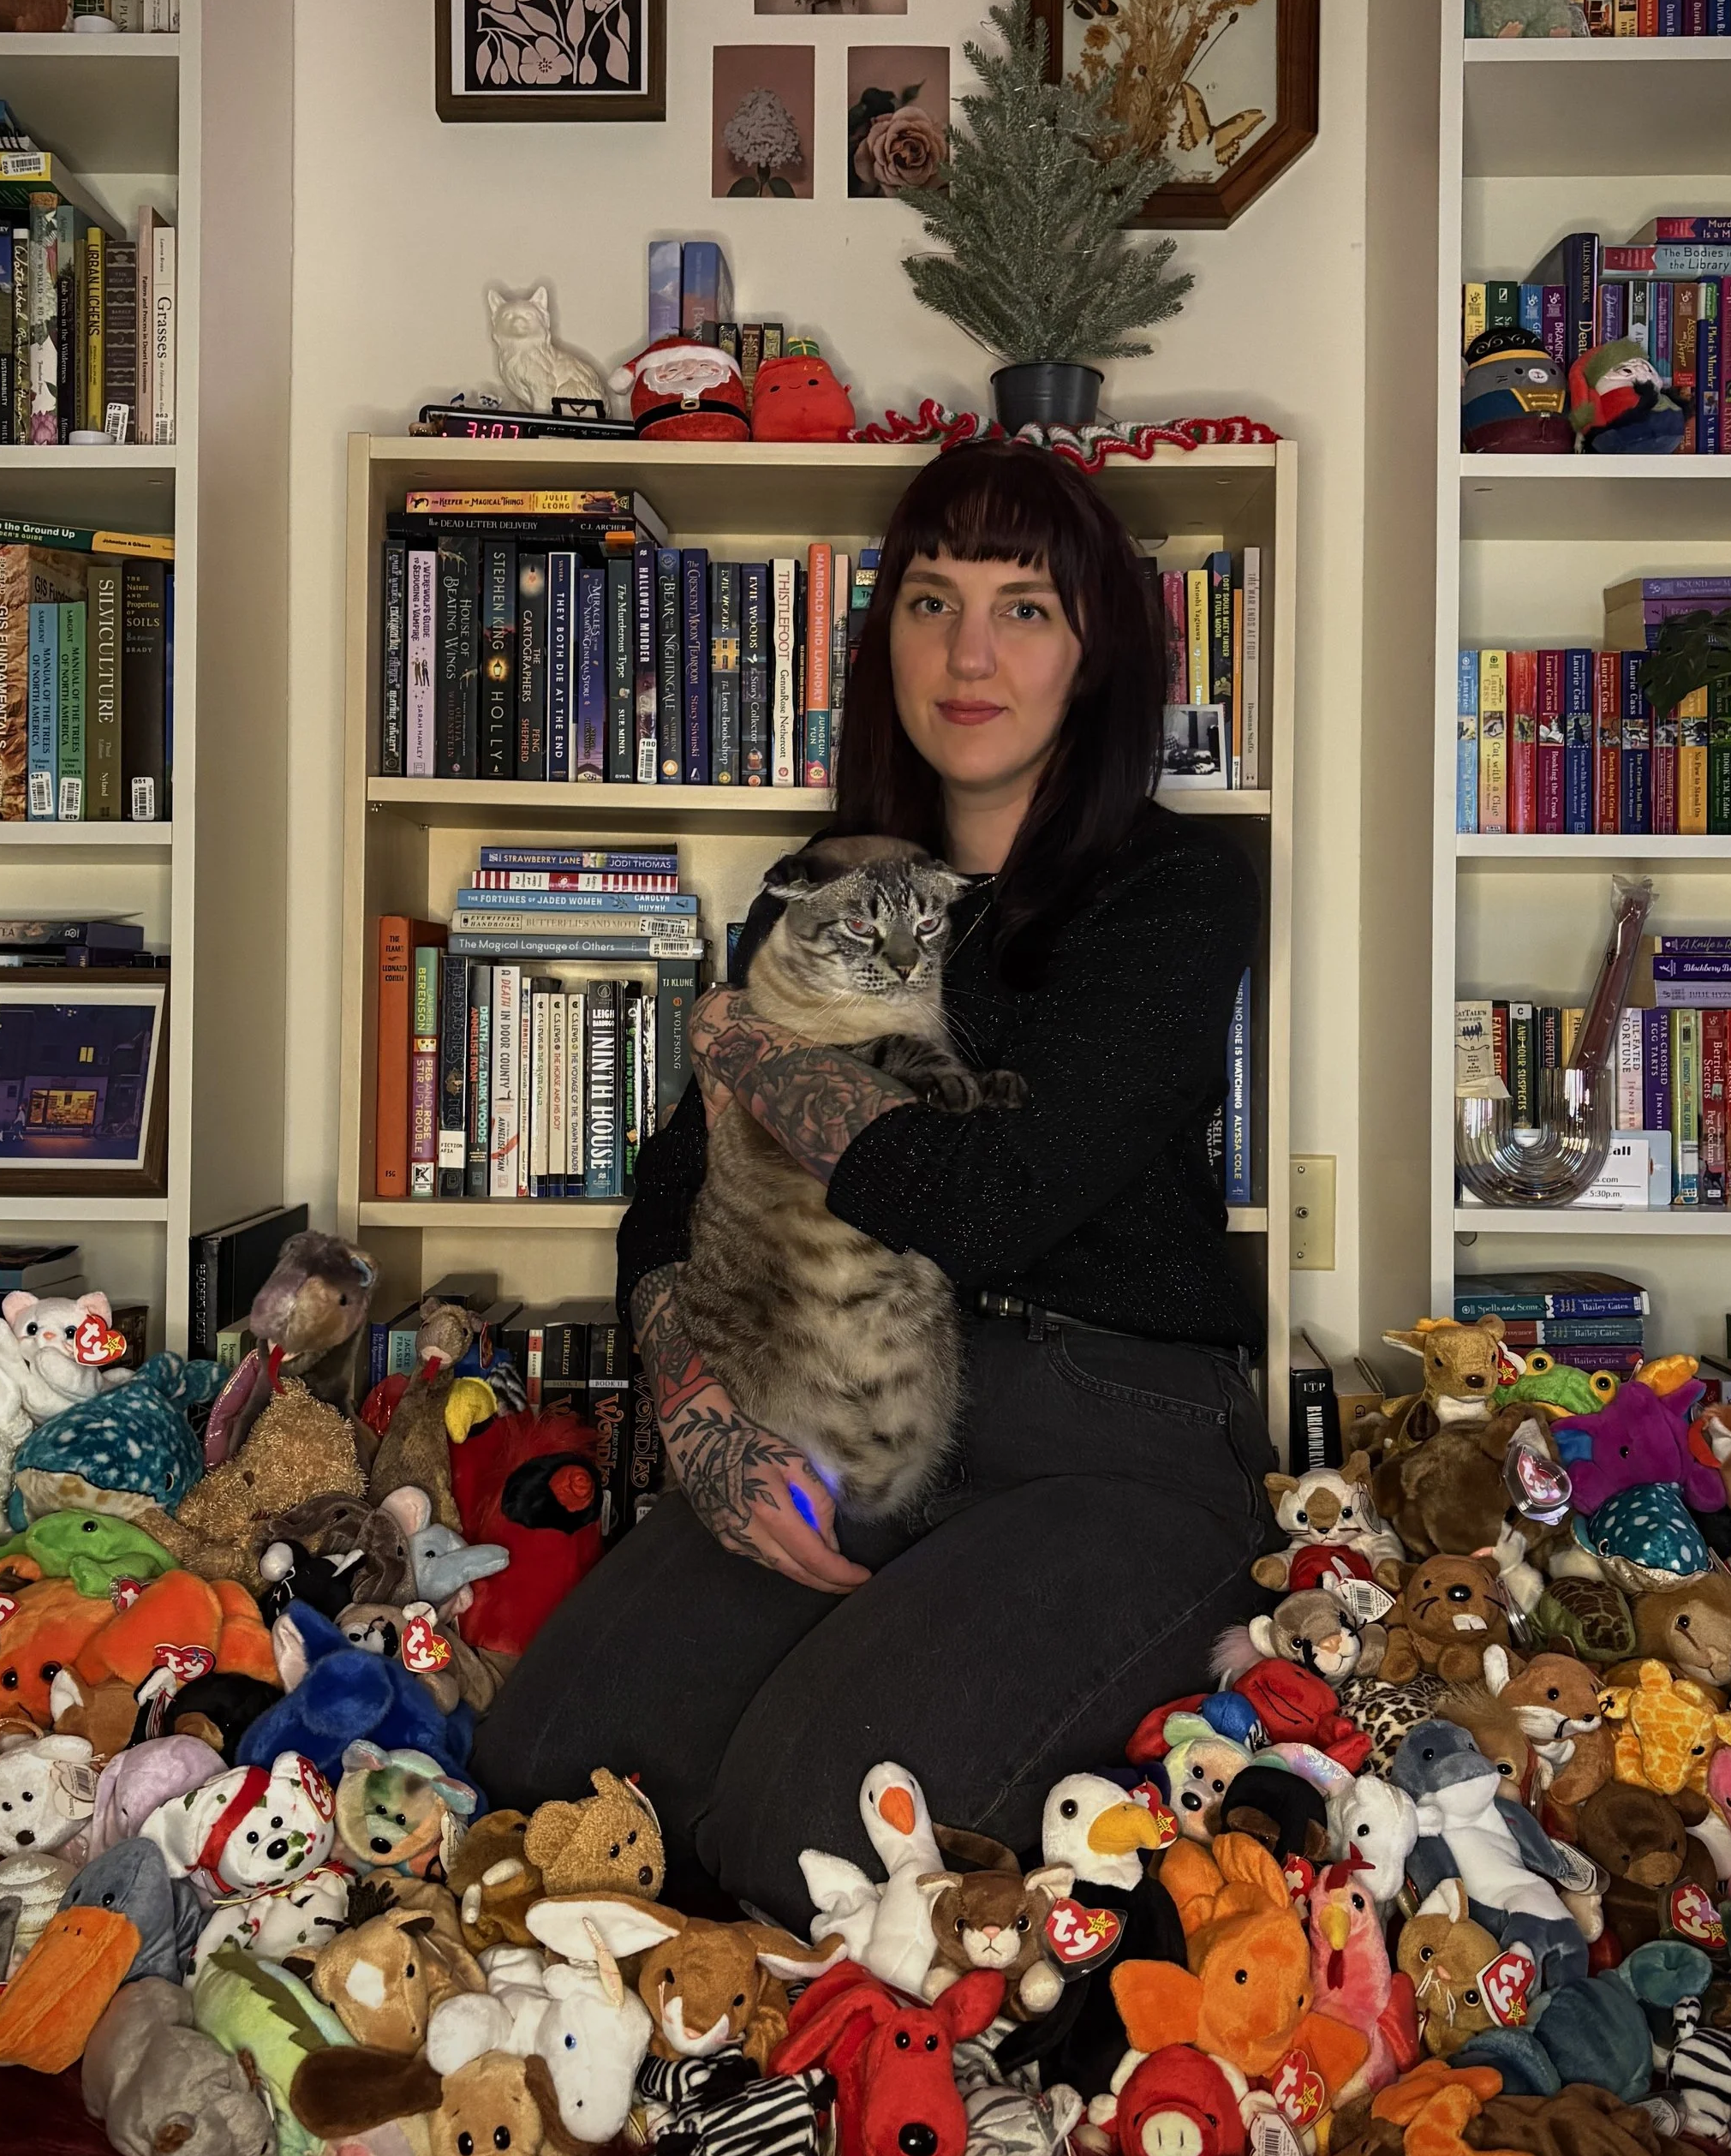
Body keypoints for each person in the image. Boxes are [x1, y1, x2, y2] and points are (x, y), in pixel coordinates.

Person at [469, 440, 1271, 1920]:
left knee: (807, 1843)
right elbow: (671, 1197)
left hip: (1114, 1425)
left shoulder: (1175, 888)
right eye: (930, 600)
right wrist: (704, 1422)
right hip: (844, 1405)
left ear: (1094, 657)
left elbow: (989, 1199)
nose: (970, 653)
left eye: (1026, 608)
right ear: (882, 636)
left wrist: (746, 1049)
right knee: (550, 1771)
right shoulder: (825, 892)